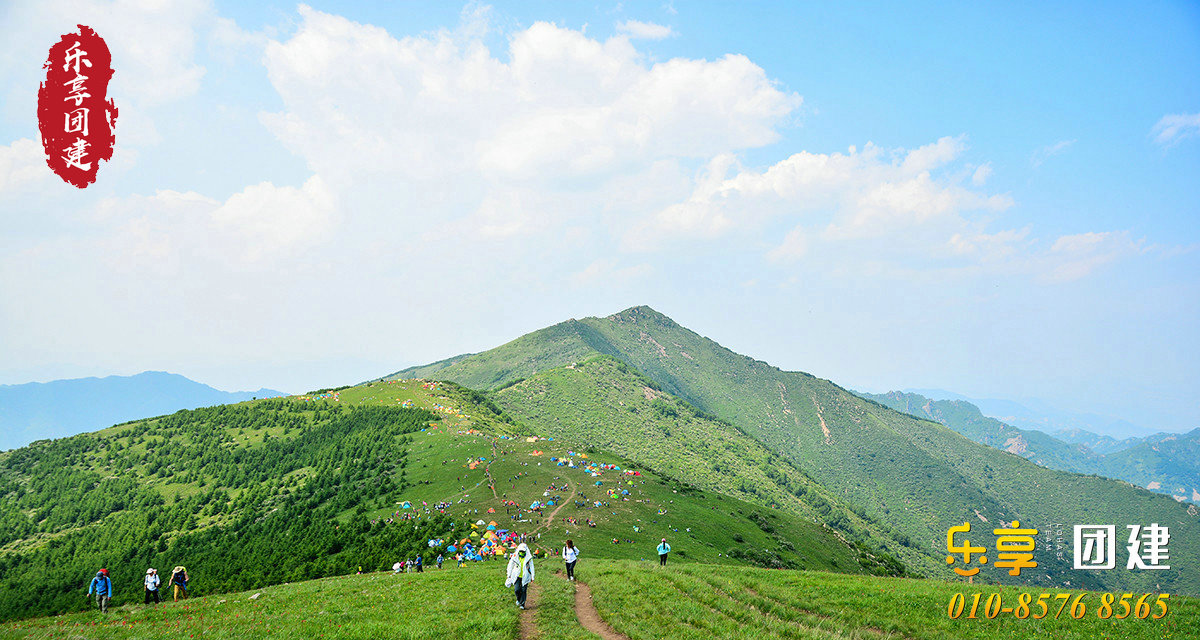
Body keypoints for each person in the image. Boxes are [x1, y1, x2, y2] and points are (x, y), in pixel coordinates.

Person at [504, 543, 535, 610]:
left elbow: (532, 567)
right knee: (517, 590)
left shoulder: (529, 558)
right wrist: (508, 575)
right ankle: (518, 599)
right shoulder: (515, 557)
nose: (522, 552)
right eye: (521, 551)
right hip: (517, 576)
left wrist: (533, 576)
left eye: (523, 551)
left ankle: (522, 604)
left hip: (525, 576)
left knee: (524, 590)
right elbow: (510, 565)